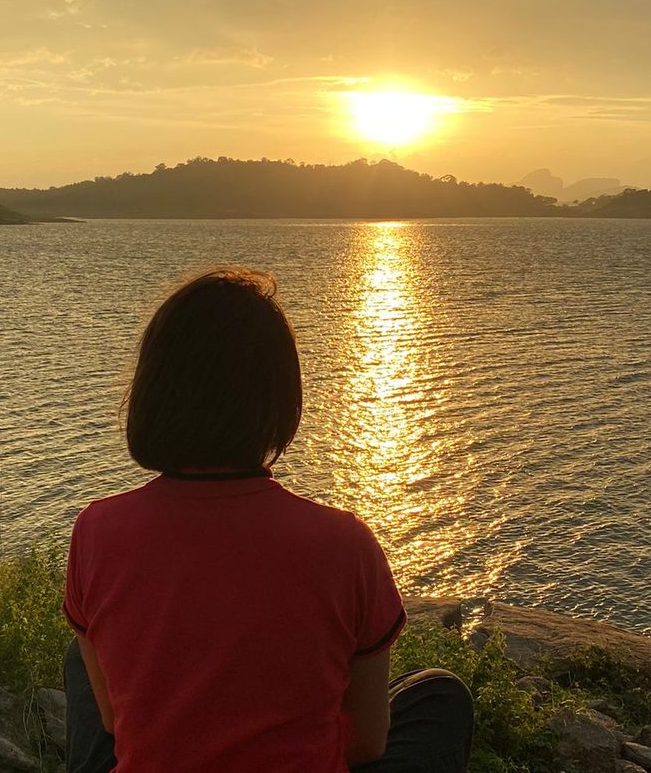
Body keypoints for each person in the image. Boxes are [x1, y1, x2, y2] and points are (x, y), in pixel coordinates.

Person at [63, 268, 474, 773]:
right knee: (438, 697)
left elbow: (111, 720)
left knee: (83, 663)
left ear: (153, 391)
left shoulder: (97, 531)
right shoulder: (343, 544)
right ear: (280, 399)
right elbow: (367, 741)